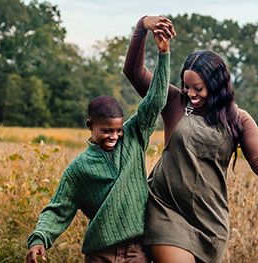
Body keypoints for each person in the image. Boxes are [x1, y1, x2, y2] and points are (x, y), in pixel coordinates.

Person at [123, 16, 258, 263]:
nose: (190, 93)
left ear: (217, 84)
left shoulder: (239, 119)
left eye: (198, 88)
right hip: (165, 211)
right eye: (186, 85)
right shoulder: (173, 102)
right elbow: (133, 71)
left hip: (210, 219)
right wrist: (142, 26)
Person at [25, 28, 172, 263]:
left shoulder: (134, 136)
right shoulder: (79, 168)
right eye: (106, 131)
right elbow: (58, 209)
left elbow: (155, 101)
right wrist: (39, 239)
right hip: (99, 255)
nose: (114, 136)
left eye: (117, 130)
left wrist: (164, 54)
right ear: (90, 126)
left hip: (136, 252)